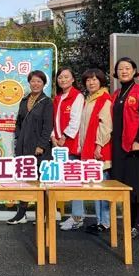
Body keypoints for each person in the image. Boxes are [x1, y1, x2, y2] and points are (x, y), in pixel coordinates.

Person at [110, 57, 139, 239]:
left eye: (127, 68)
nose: (124, 71)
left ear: (134, 71)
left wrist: (138, 140)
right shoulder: (116, 94)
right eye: (120, 69)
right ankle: (129, 223)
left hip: (135, 147)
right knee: (124, 186)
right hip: (118, 148)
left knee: (138, 186)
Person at [7, 70, 53, 225]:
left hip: (39, 149)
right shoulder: (24, 100)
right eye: (33, 81)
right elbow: (19, 122)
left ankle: (42, 215)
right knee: (25, 181)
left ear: (44, 84)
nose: (35, 84)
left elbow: (48, 126)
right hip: (23, 147)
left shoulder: (47, 102)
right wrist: (18, 138)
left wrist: (41, 145)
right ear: (29, 82)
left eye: (39, 81)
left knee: (40, 182)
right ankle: (21, 214)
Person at [51, 67, 86, 231]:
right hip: (59, 145)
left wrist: (64, 137)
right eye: (60, 77)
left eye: (66, 77)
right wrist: (53, 136)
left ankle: (77, 217)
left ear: (73, 79)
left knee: (74, 181)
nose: (63, 80)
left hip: (71, 145)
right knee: (65, 180)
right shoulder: (58, 98)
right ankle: (74, 215)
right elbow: (53, 121)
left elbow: (76, 120)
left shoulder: (77, 96)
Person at [79, 68, 113, 235]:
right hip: (89, 149)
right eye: (88, 80)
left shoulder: (104, 99)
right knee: (96, 186)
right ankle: (100, 220)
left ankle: (105, 222)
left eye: (94, 79)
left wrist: (99, 145)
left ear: (101, 81)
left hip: (100, 150)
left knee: (102, 186)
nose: (91, 82)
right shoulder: (89, 99)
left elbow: (106, 126)